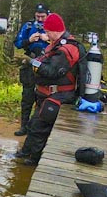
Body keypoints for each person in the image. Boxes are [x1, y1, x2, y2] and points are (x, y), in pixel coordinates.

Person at [14, 12, 81, 166]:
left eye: (47, 32)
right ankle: (25, 152)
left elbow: (51, 71)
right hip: (46, 94)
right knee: (33, 125)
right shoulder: (57, 45)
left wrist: (32, 63)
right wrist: (30, 61)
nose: (46, 35)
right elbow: (44, 61)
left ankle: (33, 160)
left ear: (53, 30)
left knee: (39, 128)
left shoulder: (66, 49)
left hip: (59, 95)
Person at [13, 3, 50, 136]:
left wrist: (48, 39)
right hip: (29, 64)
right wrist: (28, 40)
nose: (40, 19)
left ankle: (38, 127)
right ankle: (24, 126)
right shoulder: (28, 26)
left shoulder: (53, 27)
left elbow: (63, 43)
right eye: (38, 16)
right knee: (27, 97)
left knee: (43, 98)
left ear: (48, 15)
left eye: (43, 16)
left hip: (46, 65)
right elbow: (17, 43)